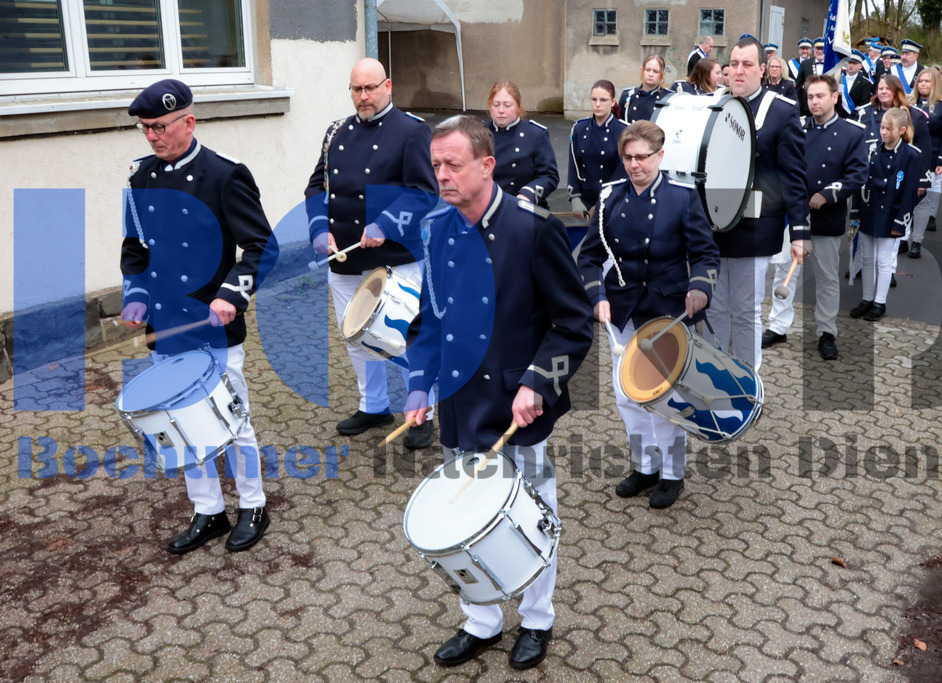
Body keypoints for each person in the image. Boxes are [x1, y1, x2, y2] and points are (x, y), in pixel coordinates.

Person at [398, 115, 593, 670]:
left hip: (517, 406)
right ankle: (481, 619)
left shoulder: (534, 229)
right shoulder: (436, 229)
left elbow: (573, 322)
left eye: (452, 165)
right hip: (461, 407)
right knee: (464, 521)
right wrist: (418, 384)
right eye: (435, 165)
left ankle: (537, 617)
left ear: (487, 164)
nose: (441, 175)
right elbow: (429, 320)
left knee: (533, 516)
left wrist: (538, 380)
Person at [121, 79, 277, 554]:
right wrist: (136, 293)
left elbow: (260, 246)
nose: (152, 137)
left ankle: (253, 504)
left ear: (188, 121)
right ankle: (208, 510)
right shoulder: (140, 178)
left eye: (160, 127)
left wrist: (233, 292)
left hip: (214, 325)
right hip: (167, 326)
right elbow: (135, 248)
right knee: (181, 424)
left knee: (232, 419)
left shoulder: (225, 175)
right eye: (145, 129)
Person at [577, 120, 719, 508]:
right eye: (628, 157)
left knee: (664, 397)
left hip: (668, 311)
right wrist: (597, 295)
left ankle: (672, 474)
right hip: (623, 309)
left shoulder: (683, 196)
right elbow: (589, 257)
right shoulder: (610, 197)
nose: (634, 165)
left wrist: (699, 288)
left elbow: (706, 254)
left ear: (660, 155)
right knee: (626, 395)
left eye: (642, 157)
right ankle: (644, 466)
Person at [304, 58, 438, 448]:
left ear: (388, 86)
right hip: (344, 255)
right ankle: (374, 404)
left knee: (403, 336)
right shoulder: (336, 132)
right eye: (356, 89)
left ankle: (421, 411)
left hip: (395, 256)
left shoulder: (412, 131)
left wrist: (386, 224)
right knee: (356, 336)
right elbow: (316, 187)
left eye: (370, 88)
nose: (363, 97)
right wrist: (318, 228)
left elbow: (424, 193)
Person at [706, 36, 809, 372]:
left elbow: (794, 177)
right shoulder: (712, 105)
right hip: (713, 228)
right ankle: (718, 376)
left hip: (755, 228)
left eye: (747, 64)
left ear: (762, 70)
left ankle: (748, 382)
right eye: (733, 64)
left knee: (746, 312)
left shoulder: (781, 111)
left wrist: (799, 232)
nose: (738, 70)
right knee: (715, 308)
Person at [761, 75, 868, 360]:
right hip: (793, 213)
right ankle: (779, 326)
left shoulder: (853, 133)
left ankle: (826, 332)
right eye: (810, 97)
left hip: (826, 216)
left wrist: (828, 194)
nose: (814, 102)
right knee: (784, 272)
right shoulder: (797, 128)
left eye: (820, 96)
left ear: (835, 97)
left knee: (827, 278)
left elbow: (857, 175)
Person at [850, 107, 922, 322]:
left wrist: (900, 222)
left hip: (891, 214)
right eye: (881, 127)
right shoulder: (870, 149)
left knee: (883, 260)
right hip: (869, 209)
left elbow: (909, 192)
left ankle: (879, 303)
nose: (883, 133)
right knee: (866, 258)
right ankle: (866, 299)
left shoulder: (911, 155)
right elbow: (859, 181)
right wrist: (856, 212)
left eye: (888, 129)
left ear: (901, 130)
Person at [907, 66, 942, 256]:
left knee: (922, 201)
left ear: (936, 83)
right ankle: (903, 238)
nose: (923, 84)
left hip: (931, 159)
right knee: (904, 199)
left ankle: (916, 241)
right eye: (920, 81)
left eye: (927, 81)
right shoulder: (910, 103)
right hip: (909, 158)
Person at [487, 80, 560, 209]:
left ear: (518, 107)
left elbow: (549, 175)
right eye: (496, 104)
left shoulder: (535, 134)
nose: (501, 110)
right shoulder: (479, 132)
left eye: (507, 105)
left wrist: (527, 194)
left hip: (523, 207)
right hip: (488, 207)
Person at [567, 80, 628, 220]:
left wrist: (602, 203)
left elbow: (623, 173)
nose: (598, 104)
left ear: (613, 102)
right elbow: (573, 165)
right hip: (585, 204)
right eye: (594, 99)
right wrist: (575, 197)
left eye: (603, 100)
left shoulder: (624, 131)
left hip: (614, 202)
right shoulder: (579, 128)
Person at [619, 55, 673, 123]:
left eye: (655, 71)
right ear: (642, 70)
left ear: (662, 74)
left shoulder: (669, 97)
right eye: (648, 70)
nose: (651, 74)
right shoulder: (628, 95)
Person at [794, 38, 826, 115]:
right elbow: (798, 86)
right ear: (814, 49)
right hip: (807, 107)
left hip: (825, 105)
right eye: (818, 49)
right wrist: (798, 105)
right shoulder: (805, 64)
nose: (820, 51)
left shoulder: (831, 65)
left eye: (822, 49)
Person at [838, 52, 874, 117]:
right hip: (838, 116)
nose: (851, 65)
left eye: (854, 63)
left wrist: (854, 115)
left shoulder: (865, 83)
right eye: (849, 62)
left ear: (860, 66)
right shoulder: (839, 79)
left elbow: (863, 103)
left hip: (855, 117)